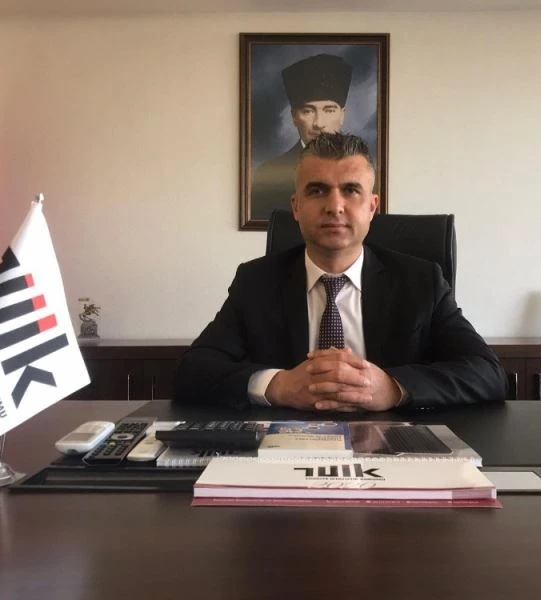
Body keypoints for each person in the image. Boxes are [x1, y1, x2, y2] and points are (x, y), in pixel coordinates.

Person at [176, 132, 507, 411]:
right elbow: (193, 372)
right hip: (285, 449)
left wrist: (393, 388)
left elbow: (487, 373)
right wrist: (278, 385)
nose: (334, 206)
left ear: (372, 207)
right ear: (296, 207)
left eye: (350, 190)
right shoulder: (256, 283)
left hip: (397, 447)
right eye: (317, 190)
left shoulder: (421, 282)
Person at [250, 53, 352, 222]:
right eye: (308, 111)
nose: (319, 123)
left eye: (329, 110)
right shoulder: (268, 174)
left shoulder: (363, 172)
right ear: (294, 117)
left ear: (342, 115)